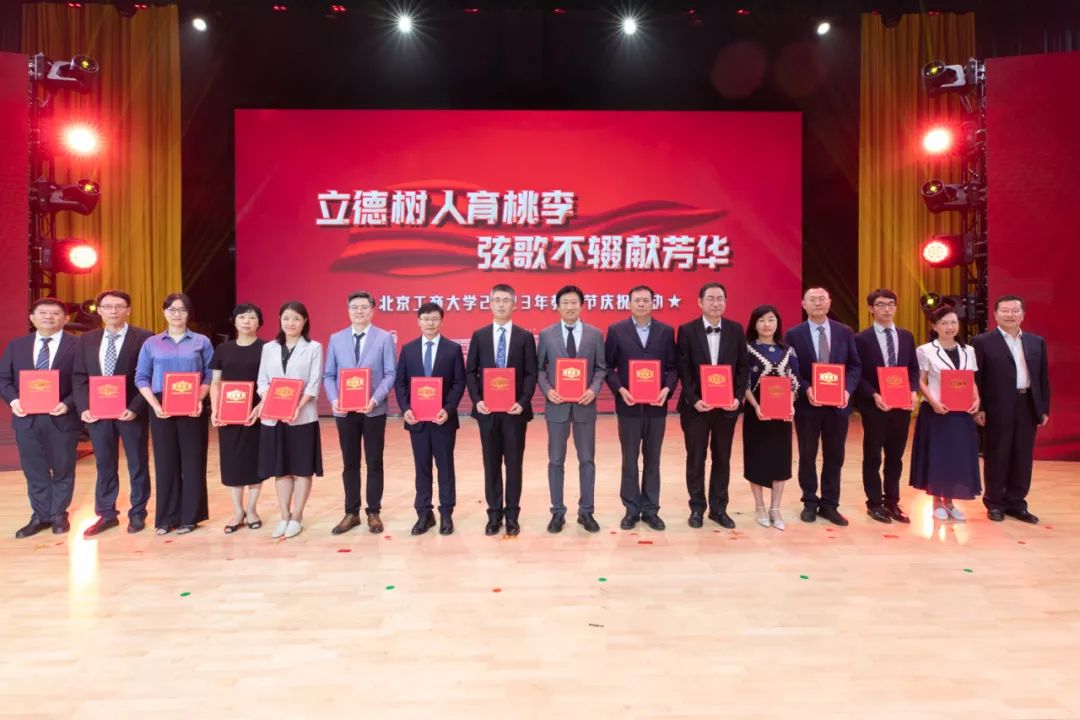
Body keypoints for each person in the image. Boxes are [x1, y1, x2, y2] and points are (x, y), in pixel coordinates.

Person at [72, 290, 154, 536]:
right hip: (98, 413)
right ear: (99, 311)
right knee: (105, 463)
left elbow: (149, 376)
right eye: (107, 306)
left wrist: (136, 407)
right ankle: (106, 514)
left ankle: (138, 513)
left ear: (128, 310)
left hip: (131, 411)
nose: (113, 311)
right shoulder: (87, 339)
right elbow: (79, 376)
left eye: (119, 306)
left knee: (137, 463)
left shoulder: (144, 338)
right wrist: (84, 407)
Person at [0, 297, 82, 538]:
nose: (48, 317)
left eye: (55, 313)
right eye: (43, 313)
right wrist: (14, 401)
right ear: (32, 318)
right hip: (26, 418)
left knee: (63, 469)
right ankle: (40, 515)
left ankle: (58, 515)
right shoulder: (17, 345)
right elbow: (4, 379)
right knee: (34, 470)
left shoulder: (78, 345)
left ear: (66, 318)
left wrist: (67, 404)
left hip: (62, 417)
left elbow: (83, 380)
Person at [135, 293, 214, 535]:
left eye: (182, 310)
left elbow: (210, 374)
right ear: (164, 312)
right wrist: (154, 405)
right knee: (165, 462)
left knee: (193, 462)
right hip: (162, 406)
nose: (176, 314)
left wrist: (199, 399)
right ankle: (166, 518)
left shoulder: (201, 341)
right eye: (171, 309)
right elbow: (141, 377)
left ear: (189, 313)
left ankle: (190, 517)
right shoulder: (151, 343)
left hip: (193, 405)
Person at [784, 287, 861, 526]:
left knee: (835, 456)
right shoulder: (793, 334)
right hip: (808, 405)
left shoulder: (844, 332)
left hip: (838, 405)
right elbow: (792, 368)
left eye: (822, 299)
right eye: (812, 299)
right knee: (807, 455)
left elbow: (855, 366)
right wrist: (806, 388)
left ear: (829, 302)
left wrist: (847, 391)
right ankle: (809, 501)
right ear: (803, 304)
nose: (817, 303)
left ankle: (830, 504)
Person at [465, 284, 538, 536]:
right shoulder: (480, 335)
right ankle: (494, 514)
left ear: (514, 304)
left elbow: (531, 374)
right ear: (490, 304)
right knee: (491, 463)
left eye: (506, 300)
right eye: (497, 300)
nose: (501, 304)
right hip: (487, 411)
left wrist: (523, 401)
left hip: (514, 412)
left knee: (514, 464)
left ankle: (512, 515)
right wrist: (477, 400)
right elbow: (470, 372)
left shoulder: (524, 336)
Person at [605, 285, 678, 531]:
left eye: (646, 300)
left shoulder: (665, 332)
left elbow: (673, 368)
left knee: (653, 459)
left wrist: (666, 389)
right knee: (629, 459)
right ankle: (631, 509)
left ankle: (650, 510)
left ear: (653, 303)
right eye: (637, 300)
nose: (642, 304)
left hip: (657, 406)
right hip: (629, 406)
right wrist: (620, 389)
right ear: (629, 303)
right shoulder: (617, 330)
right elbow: (608, 367)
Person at [676, 282, 749, 529]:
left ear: (726, 302)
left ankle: (719, 509)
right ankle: (697, 508)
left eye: (720, 299)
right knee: (696, 458)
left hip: (726, 409)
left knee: (722, 458)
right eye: (711, 298)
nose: (716, 303)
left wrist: (737, 398)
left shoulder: (736, 330)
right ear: (700, 302)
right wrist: (694, 399)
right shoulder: (687, 330)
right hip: (696, 408)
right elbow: (683, 368)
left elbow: (743, 368)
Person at [972, 295, 1050, 523]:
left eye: (1015, 310)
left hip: (1027, 404)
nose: (1010, 314)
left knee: (1023, 455)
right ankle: (995, 502)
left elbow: (1042, 378)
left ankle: (1016, 502)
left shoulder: (1036, 342)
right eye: (1004, 310)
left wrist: (1043, 408)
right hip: (996, 406)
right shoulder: (982, 342)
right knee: (997, 454)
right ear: (995, 315)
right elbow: (977, 377)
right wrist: (979, 407)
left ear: (1023, 315)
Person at [323, 291, 396, 536]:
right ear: (348, 311)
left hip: (373, 410)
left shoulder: (384, 338)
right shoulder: (336, 338)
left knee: (374, 462)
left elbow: (390, 373)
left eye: (364, 307)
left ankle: (373, 512)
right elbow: (329, 375)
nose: (359, 311)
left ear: (373, 310)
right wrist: (335, 400)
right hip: (345, 412)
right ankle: (351, 512)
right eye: (354, 307)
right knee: (350, 463)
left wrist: (375, 400)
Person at [536, 285, 607, 533]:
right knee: (556, 460)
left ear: (581, 305)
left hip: (585, 406)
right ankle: (557, 511)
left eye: (574, 302)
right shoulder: (546, 335)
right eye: (565, 303)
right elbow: (540, 369)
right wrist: (548, 390)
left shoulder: (594, 334)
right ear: (558, 306)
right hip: (557, 406)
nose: (570, 307)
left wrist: (594, 390)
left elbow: (601, 368)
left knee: (587, 459)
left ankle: (586, 511)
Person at [394, 302, 466, 536]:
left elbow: (459, 382)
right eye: (426, 319)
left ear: (441, 321)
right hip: (417, 421)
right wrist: (405, 408)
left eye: (435, 318)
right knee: (422, 468)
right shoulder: (409, 349)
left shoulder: (452, 349)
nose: (430, 323)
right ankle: (424, 514)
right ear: (419, 322)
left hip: (442, 420)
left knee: (445, 468)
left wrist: (449, 409)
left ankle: (446, 513)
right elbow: (400, 382)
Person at [255, 301, 324, 539]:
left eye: (296, 318)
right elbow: (262, 381)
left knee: (302, 469)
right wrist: (271, 401)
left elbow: (313, 383)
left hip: (302, 417)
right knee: (281, 468)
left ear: (305, 321)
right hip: (274, 418)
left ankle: (297, 517)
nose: (290, 323)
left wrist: (297, 405)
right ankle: (284, 516)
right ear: (280, 320)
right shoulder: (269, 348)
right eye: (286, 318)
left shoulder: (314, 347)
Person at [909, 305, 982, 520]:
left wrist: (977, 398)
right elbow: (921, 380)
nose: (950, 327)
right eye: (944, 323)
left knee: (957, 457)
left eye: (953, 322)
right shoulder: (925, 350)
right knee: (938, 456)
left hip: (962, 413)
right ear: (934, 326)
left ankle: (950, 502)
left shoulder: (968, 351)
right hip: (937, 412)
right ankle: (937, 502)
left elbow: (971, 380)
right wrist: (933, 402)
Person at [853, 289, 919, 524]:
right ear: (871, 309)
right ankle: (874, 503)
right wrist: (873, 394)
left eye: (891, 304)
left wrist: (913, 390)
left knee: (895, 457)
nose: (887, 309)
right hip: (875, 406)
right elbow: (857, 372)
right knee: (873, 456)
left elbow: (913, 369)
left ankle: (892, 501)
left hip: (901, 406)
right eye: (881, 305)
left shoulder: (906, 336)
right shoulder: (861, 339)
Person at [209, 303, 265, 533]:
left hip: (256, 413)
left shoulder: (267, 348)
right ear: (234, 321)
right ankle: (237, 511)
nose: (246, 321)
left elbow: (273, 382)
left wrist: (260, 407)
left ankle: (251, 509)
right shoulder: (223, 349)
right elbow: (215, 383)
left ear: (259, 322)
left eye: (252, 317)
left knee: (255, 462)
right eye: (242, 317)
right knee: (232, 463)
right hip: (229, 413)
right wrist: (215, 409)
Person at [742, 305, 799, 530]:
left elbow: (794, 381)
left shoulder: (788, 350)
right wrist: (756, 406)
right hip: (756, 412)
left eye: (771, 320)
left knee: (780, 459)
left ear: (777, 323)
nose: (767, 324)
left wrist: (790, 404)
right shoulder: (747, 349)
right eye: (762, 320)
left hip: (782, 415)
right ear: (754, 324)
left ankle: (776, 508)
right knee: (756, 458)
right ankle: (760, 507)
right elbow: (743, 383)